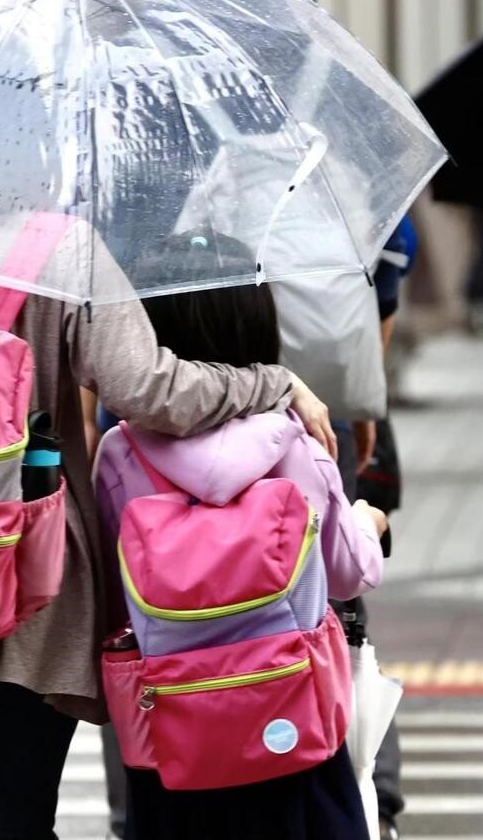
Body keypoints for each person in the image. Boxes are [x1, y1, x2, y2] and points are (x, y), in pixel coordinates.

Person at [0, 214, 335, 838]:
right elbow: (148, 392)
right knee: (12, 828)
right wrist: (271, 382)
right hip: (32, 598)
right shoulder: (63, 247)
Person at [93, 232, 388, 840]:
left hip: (174, 723)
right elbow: (348, 572)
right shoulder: (294, 440)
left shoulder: (120, 455)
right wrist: (368, 521)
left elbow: (113, 585)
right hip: (292, 716)